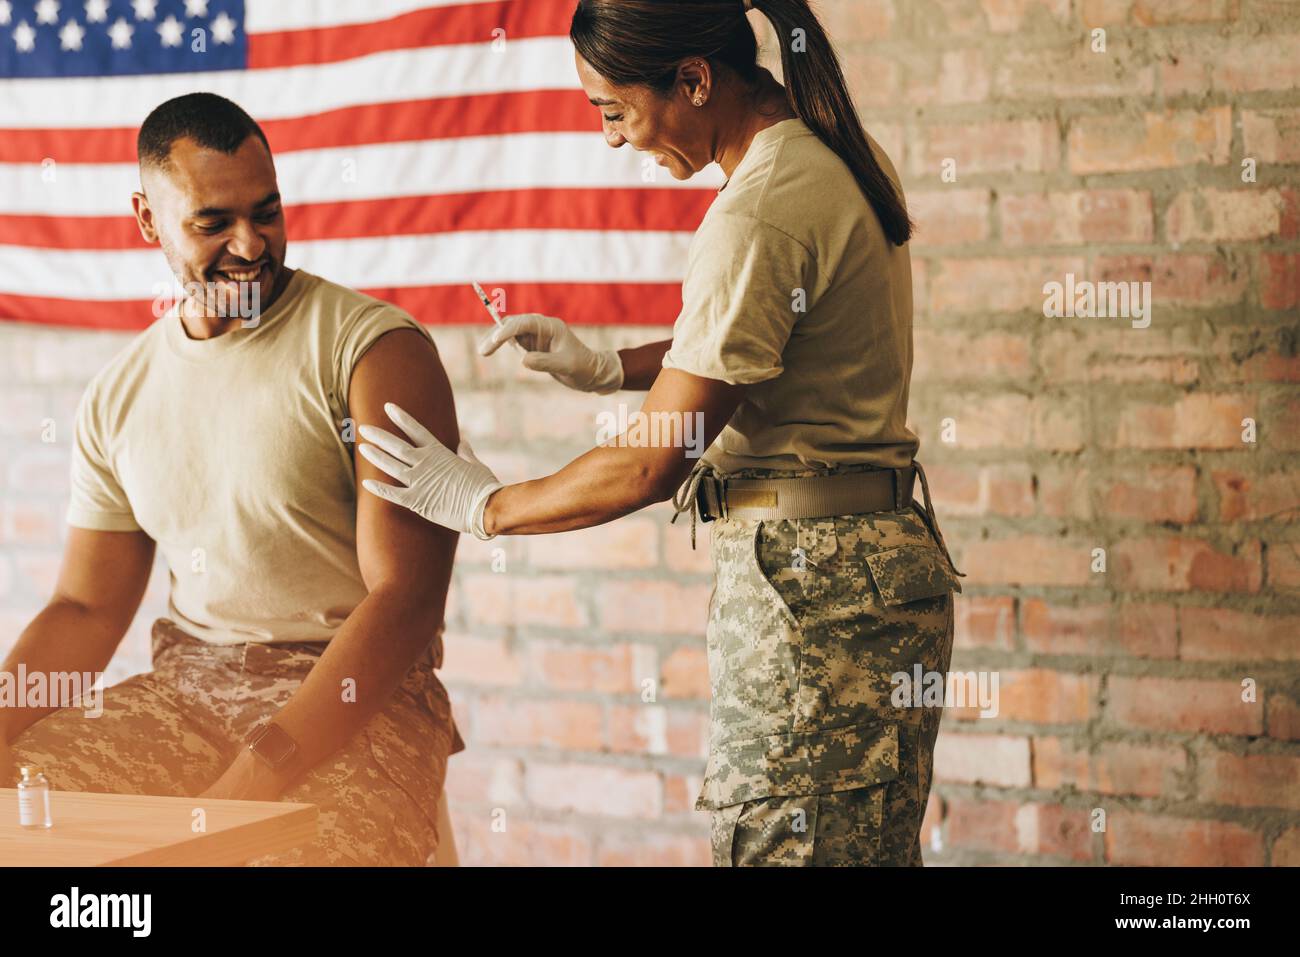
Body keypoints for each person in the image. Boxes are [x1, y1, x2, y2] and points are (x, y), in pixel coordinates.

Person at [357, 0, 964, 866]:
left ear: (693, 79)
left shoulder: (761, 209)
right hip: (865, 578)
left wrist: (486, 504)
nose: (612, 138)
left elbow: (649, 462)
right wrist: (607, 365)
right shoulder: (825, 157)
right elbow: (765, 345)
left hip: (816, 595)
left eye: (614, 110)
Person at [0, 93, 464, 866]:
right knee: (23, 821)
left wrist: (251, 778)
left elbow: (407, 599)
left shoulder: (373, 351)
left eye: (268, 211)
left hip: (356, 696)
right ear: (148, 219)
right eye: (213, 223)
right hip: (185, 688)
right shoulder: (120, 393)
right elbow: (84, 606)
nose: (251, 244)